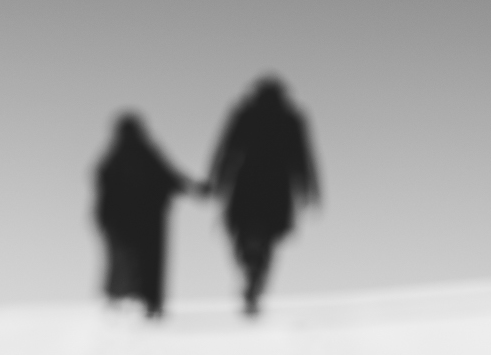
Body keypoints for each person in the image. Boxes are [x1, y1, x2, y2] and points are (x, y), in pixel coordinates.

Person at [207, 76, 320, 318]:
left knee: (246, 238)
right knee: (264, 242)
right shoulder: (290, 118)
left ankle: (252, 279)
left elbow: (227, 149)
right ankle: (254, 282)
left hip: (247, 185)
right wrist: (310, 191)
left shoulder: (246, 114)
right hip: (275, 189)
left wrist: (217, 181)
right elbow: (303, 159)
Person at [90, 112, 200, 320]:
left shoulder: (112, 158)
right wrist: (195, 189)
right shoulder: (146, 153)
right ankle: (151, 303)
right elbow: (171, 177)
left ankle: (119, 298)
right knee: (151, 261)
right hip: (150, 219)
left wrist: (101, 220)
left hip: (120, 222)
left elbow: (103, 193)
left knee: (121, 259)